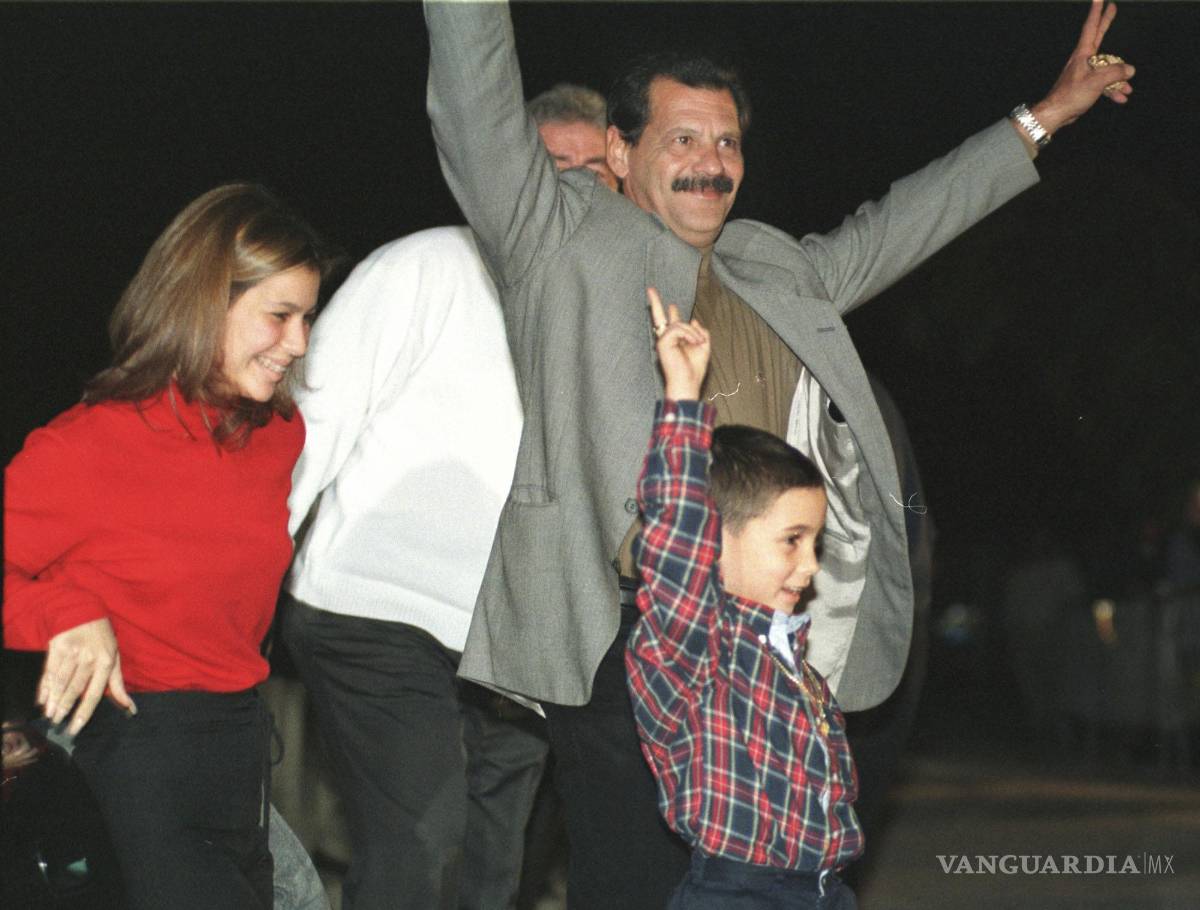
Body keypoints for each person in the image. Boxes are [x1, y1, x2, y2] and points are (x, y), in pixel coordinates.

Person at [423, 1, 1134, 903]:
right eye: (682, 140)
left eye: (726, 143)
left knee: (764, 878)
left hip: (764, 637)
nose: (709, 163)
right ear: (617, 152)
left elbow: (904, 219)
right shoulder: (554, 235)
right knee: (639, 880)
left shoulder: (772, 264)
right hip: (626, 627)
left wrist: (1048, 116)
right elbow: (475, 105)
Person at [280, 84, 614, 910]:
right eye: (553, 164)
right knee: (422, 844)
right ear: (503, 171)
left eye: (596, 168)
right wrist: (228, 595)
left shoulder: (618, 307)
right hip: (376, 615)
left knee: (490, 873)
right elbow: (307, 429)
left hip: (521, 640)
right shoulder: (419, 266)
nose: (575, 183)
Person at [3, 183, 335, 910]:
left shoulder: (279, 437)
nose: (300, 344)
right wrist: (61, 608)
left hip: (242, 745)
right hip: (132, 750)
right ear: (201, 303)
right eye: (278, 316)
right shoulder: (89, 446)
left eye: (308, 317)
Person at [627, 288, 860, 909]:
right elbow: (675, 539)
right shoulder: (693, 648)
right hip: (737, 893)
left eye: (815, 543)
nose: (810, 566)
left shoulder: (795, 665)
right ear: (716, 538)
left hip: (823, 890)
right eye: (791, 541)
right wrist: (682, 395)